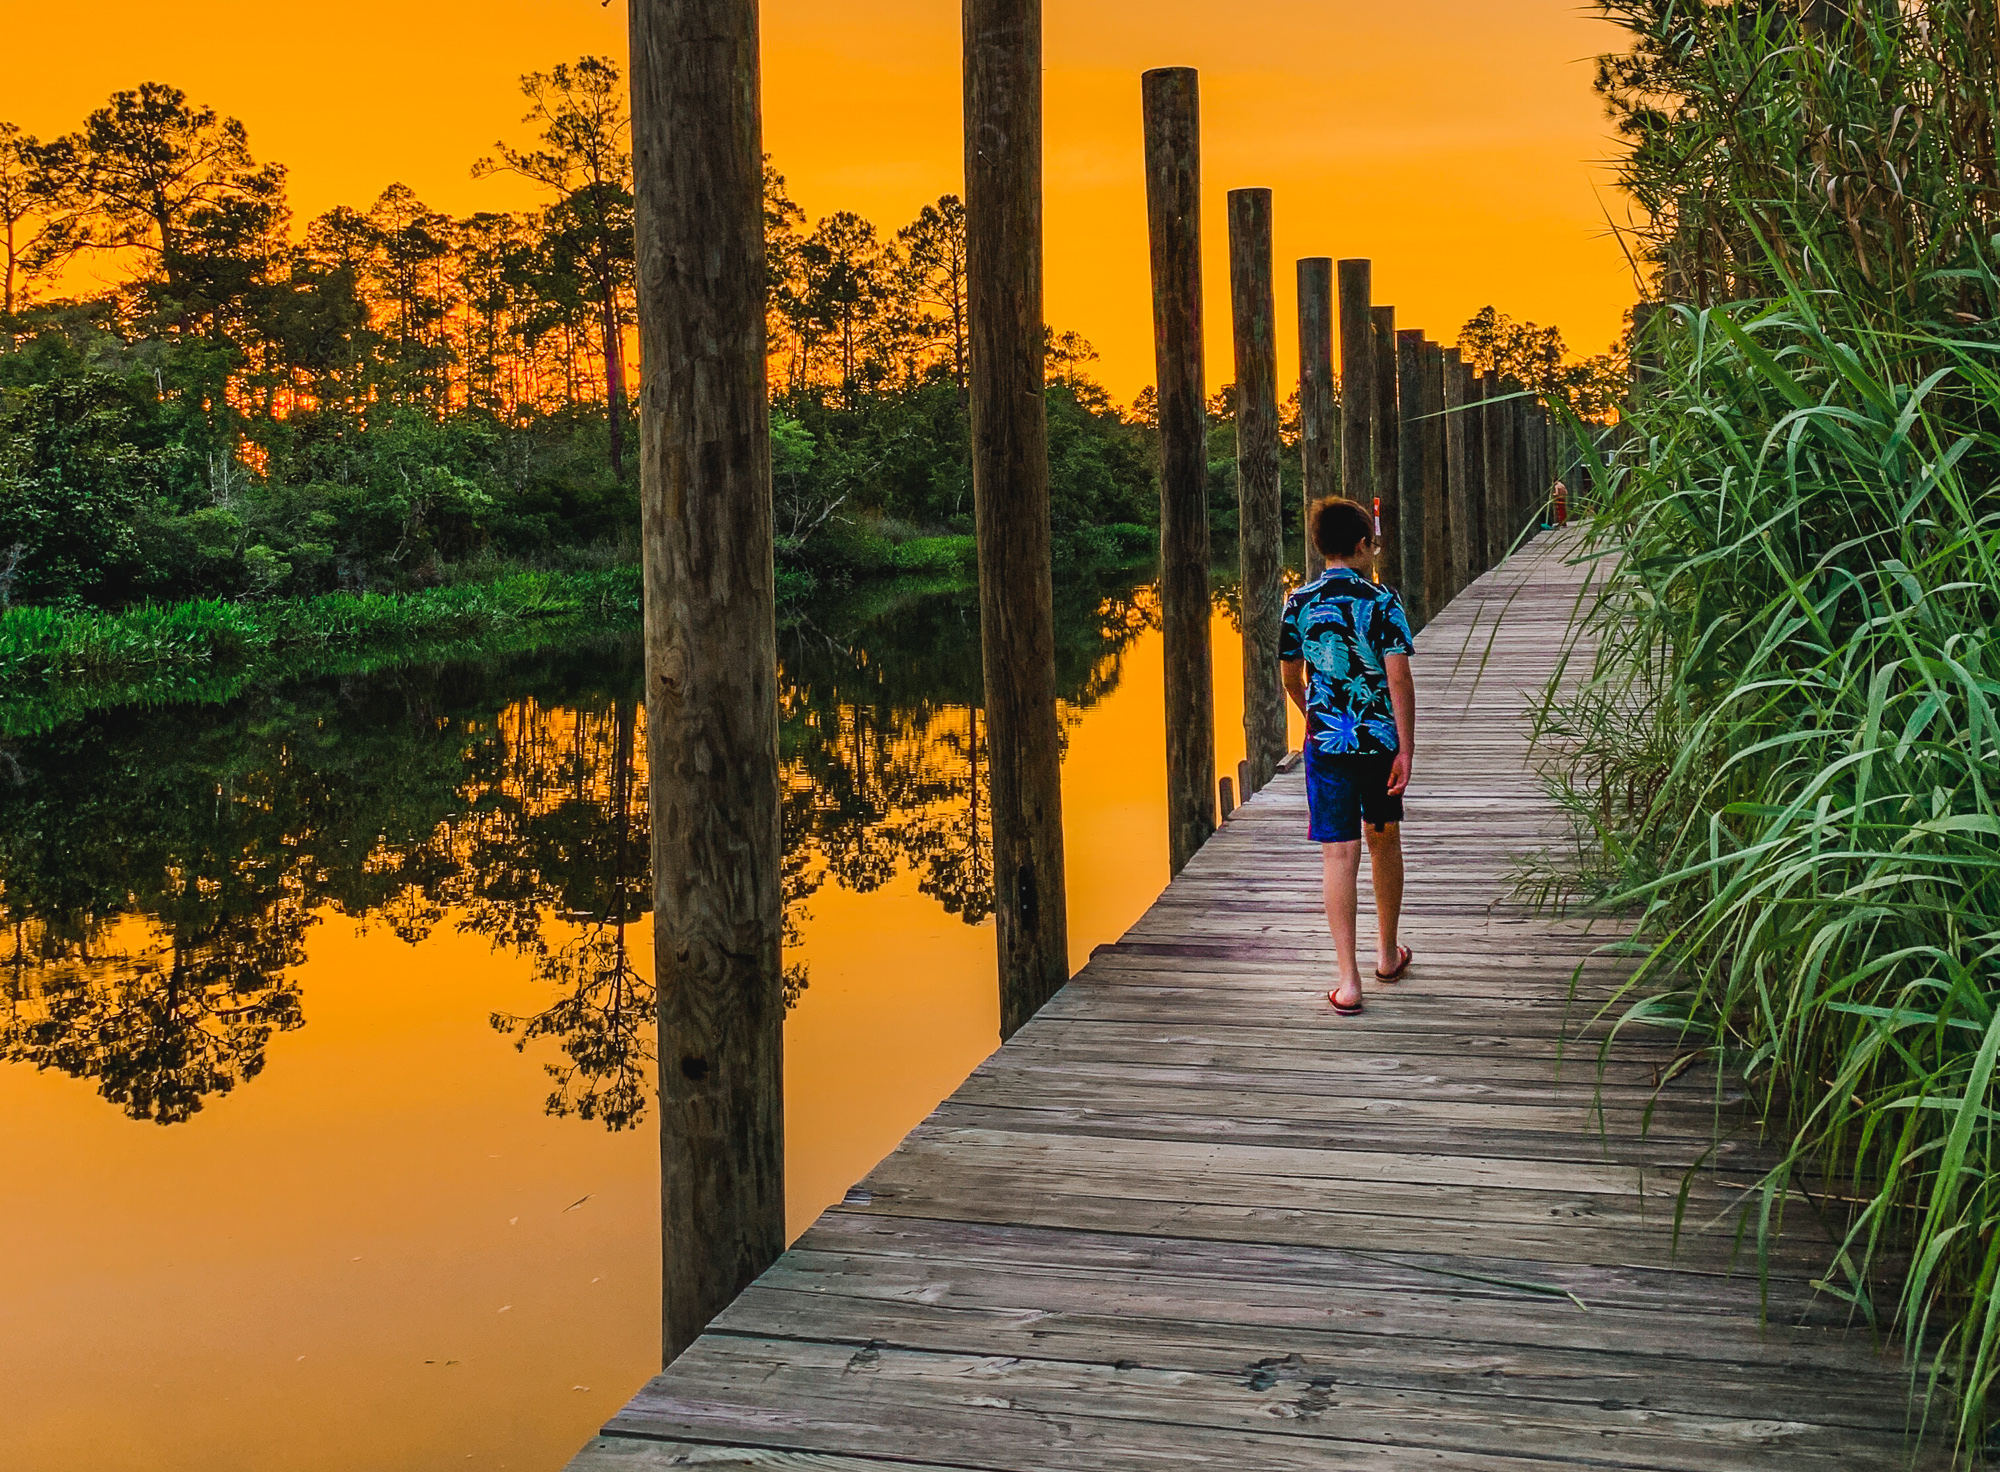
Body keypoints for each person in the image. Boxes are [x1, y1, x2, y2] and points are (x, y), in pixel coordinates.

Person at [1279, 497, 1417, 1017]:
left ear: (1320, 546)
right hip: (1379, 740)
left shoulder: (1298, 602)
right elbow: (1398, 676)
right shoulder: (1383, 601)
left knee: (1338, 855)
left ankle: (1348, 981)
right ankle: (1386, 954)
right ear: (1362, 546)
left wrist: (1312, 714)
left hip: (1328, 741)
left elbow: (1290, 674)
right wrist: (1405, 747)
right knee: (1383, 840)